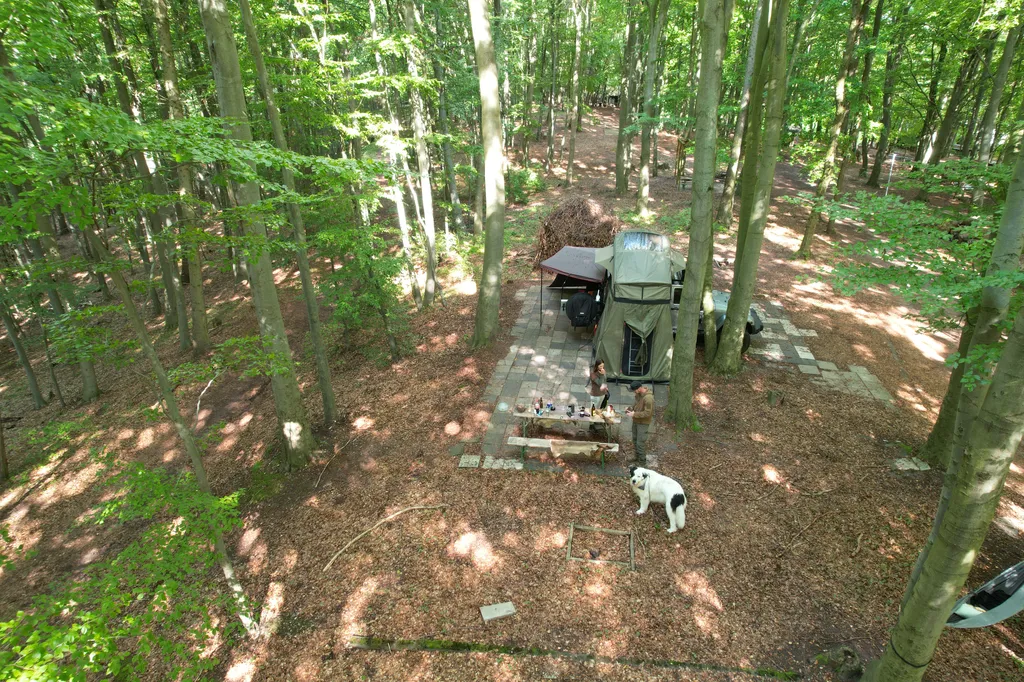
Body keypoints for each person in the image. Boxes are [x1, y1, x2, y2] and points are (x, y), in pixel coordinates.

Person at [625, 381, 653, 464]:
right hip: (636, 420)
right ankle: (636, 457)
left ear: (639, 388)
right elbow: (636, 405)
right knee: (635, 440)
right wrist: (630, 408)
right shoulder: (638, 394)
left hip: (643, 423)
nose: (634, 392)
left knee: (640, 442)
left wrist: (635, 414)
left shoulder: (648, 398)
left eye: (634, 390)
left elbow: (648, 413)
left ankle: (642, 462)